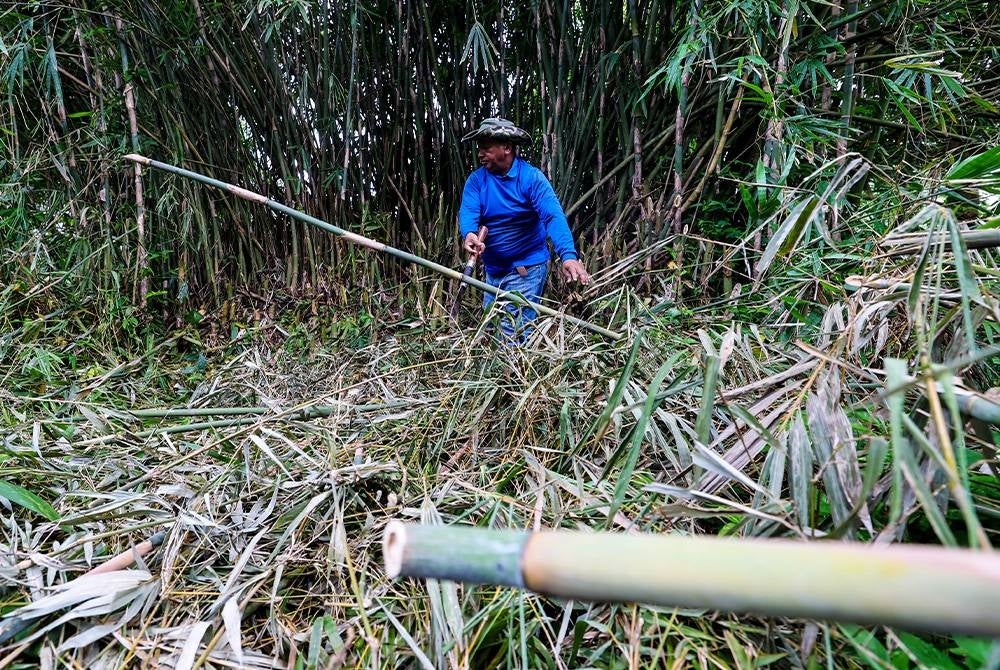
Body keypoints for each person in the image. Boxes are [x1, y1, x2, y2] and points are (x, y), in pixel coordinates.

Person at [458, 117, 590, 341]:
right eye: (479, 148)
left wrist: (568, 255)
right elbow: (469, 211)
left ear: (507, 148)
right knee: (490, 332)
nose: (480, 154)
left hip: (526, 269)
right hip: (493, 271)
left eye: (486, 148)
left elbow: (552, 216)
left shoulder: (531, 178)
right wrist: (469, 233)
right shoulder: (476, 181)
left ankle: (517, 363)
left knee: (513, 335)